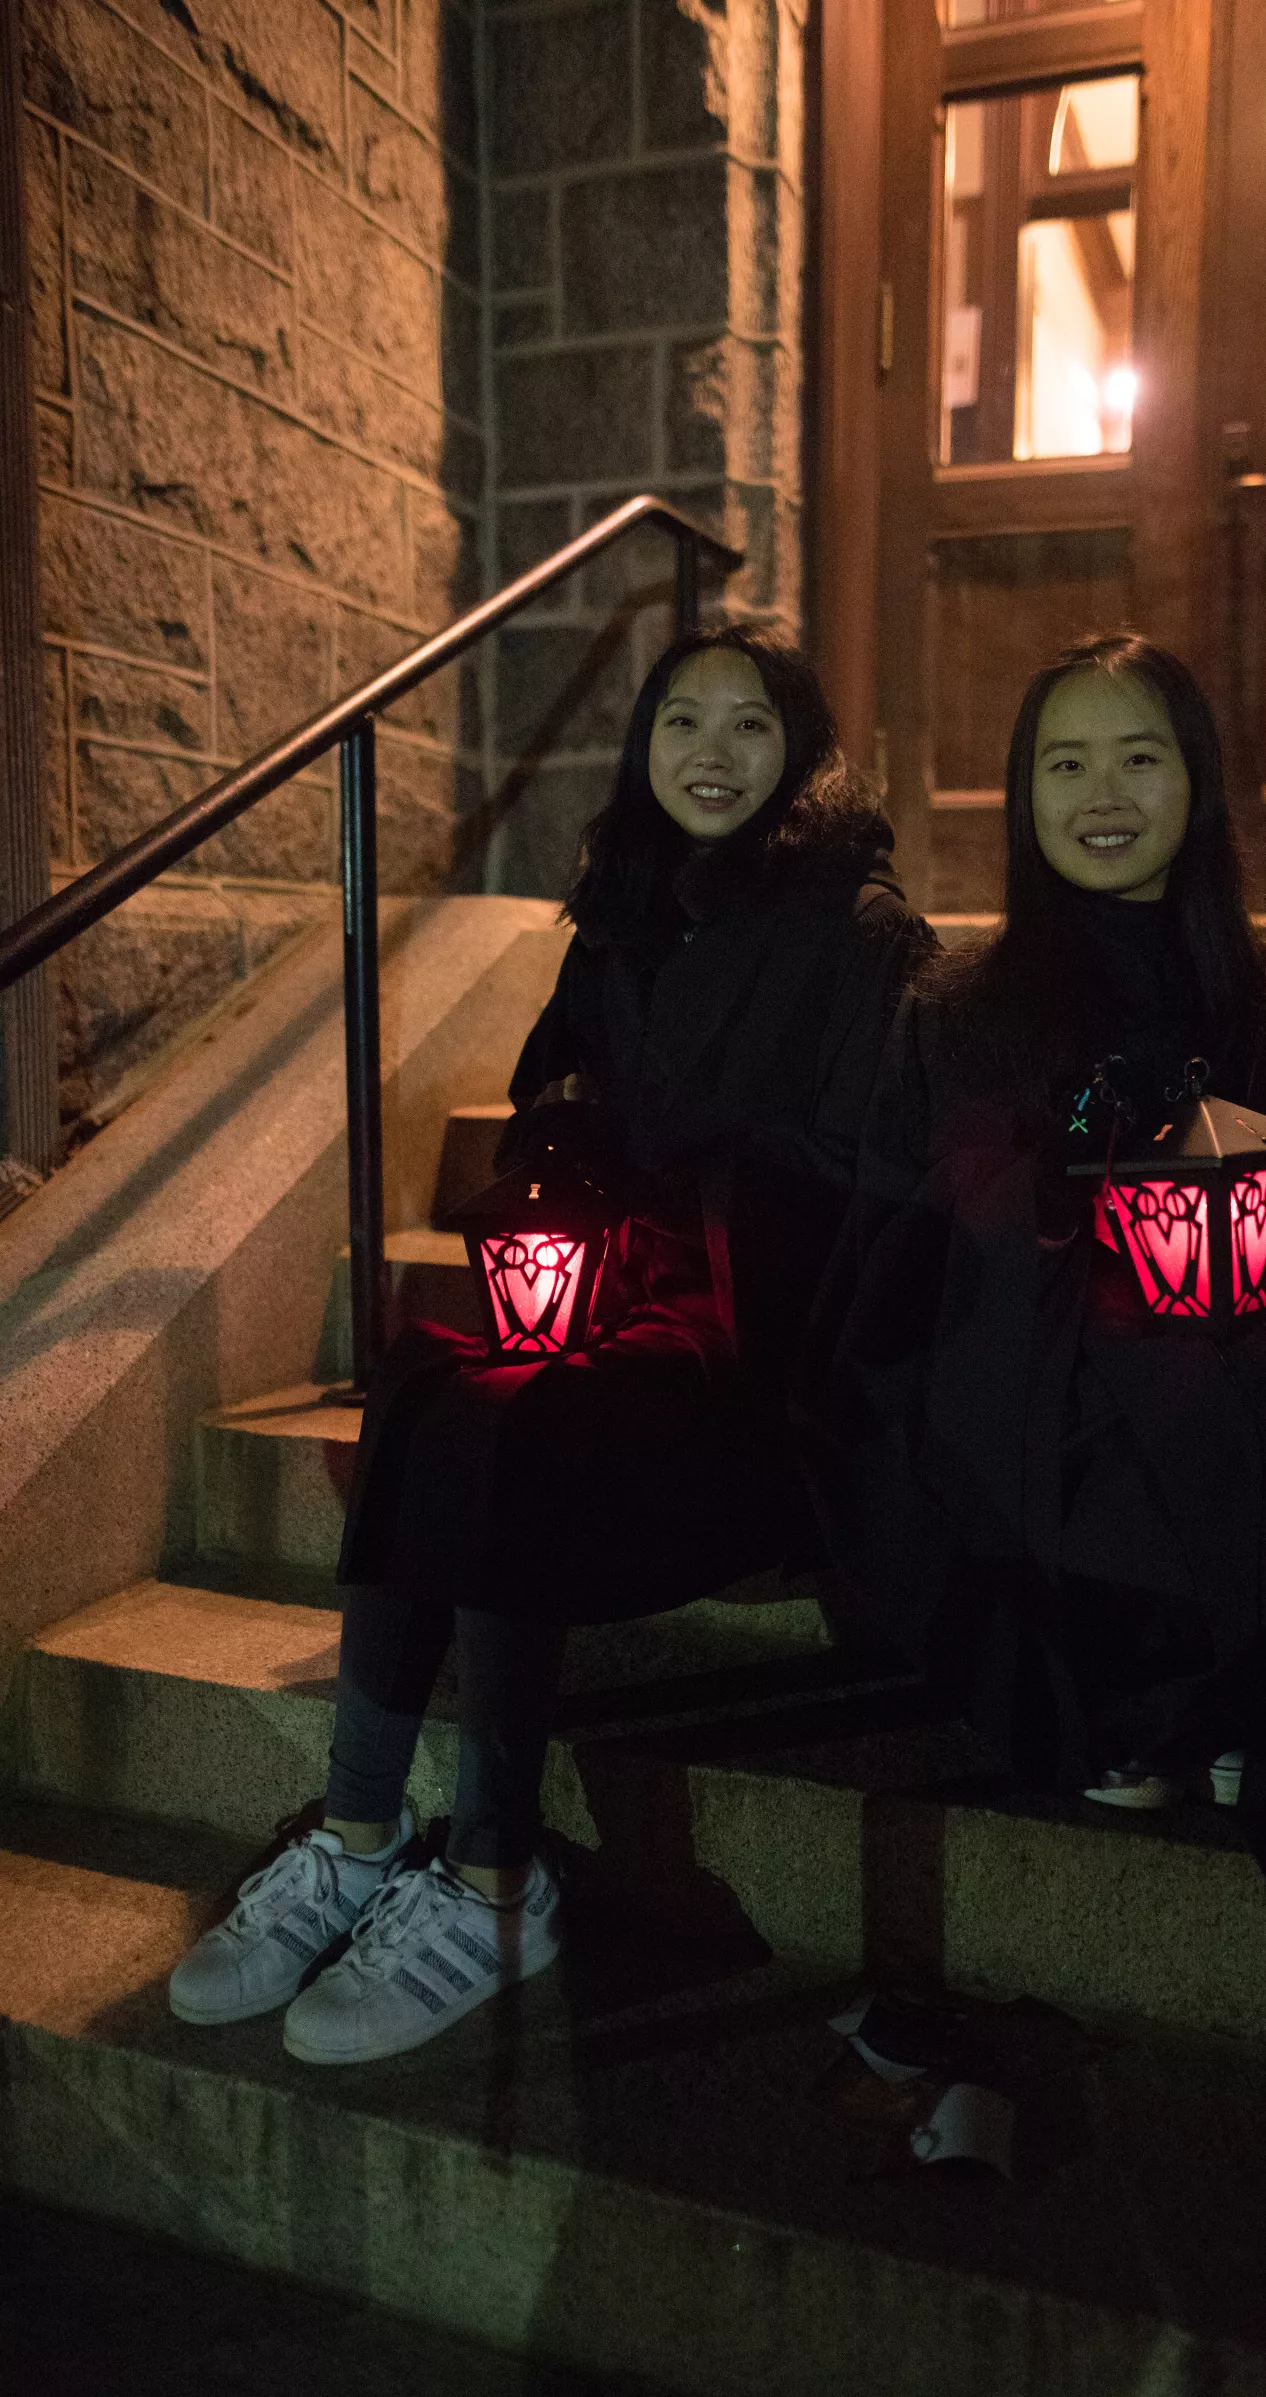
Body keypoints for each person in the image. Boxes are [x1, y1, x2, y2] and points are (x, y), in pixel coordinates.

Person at [168, 626, 932, 2060]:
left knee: (513, 1426)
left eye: (750, 725)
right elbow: (548, 1102)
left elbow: (880, 1197)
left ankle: (497, 1878)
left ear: (805, 754)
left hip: (773, 1373)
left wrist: (692, 1164)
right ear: (642, 748)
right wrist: (564, 1152)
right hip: (622, 1329)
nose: (712, 753)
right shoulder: (624, 917)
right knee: (421, 1382)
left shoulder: (860, 932)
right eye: (681, 721)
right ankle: (357, 1831)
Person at [798, 634, 1266, 1917]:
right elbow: (903, 1250)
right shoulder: (955, 1009)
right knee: (1098, 1363)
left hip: (1253, 1390)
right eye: (1065, 762)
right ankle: (1139, 1693)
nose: (1101, 792)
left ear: (1200, 781)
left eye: (1139, 756)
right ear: (1024, 794)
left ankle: (1243, 1695)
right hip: (1028, 1400)